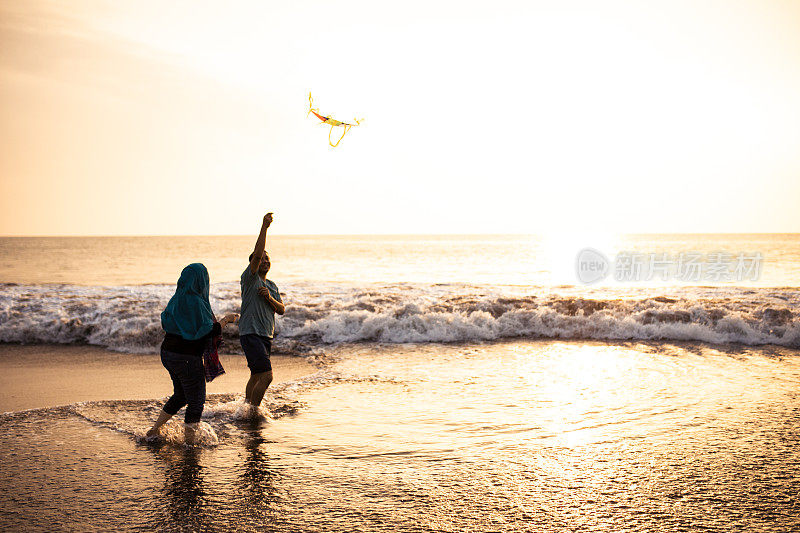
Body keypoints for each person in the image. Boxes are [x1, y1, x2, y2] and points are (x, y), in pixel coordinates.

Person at [147, 263, 239, 443]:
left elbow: (169, 322)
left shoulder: (177, 298)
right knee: (196, 401)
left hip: (168, 353)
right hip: (186, 358)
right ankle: (190, 443)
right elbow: (209, 331)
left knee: (181, 395)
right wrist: (226, 320)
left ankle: (155, 429)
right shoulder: (196, 301)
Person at [239, 212, 285, 409]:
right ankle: (253, 412)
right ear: (254, 264)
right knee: (267, 376)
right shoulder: (250, 278)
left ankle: (245, 407)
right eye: (262, 259)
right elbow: (257, 254)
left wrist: (269, 298)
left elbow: (281, 309)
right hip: (251, 333)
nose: (265, 261)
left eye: (268, 259)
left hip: (265, 335)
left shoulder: (272, 285)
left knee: (256, 375)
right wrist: (264, 227)